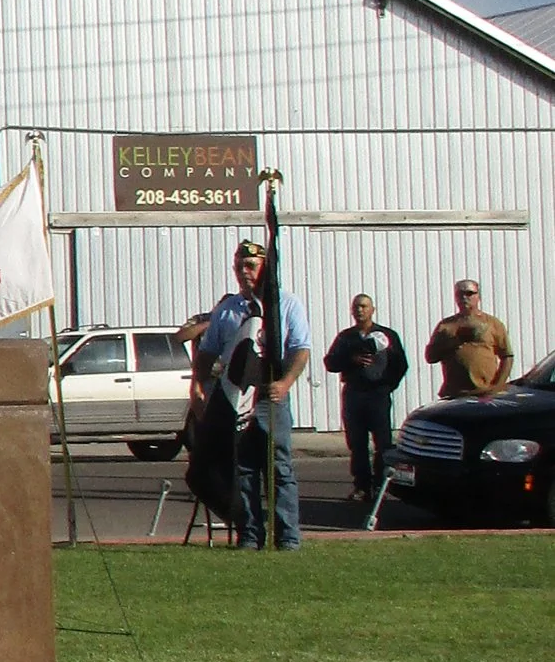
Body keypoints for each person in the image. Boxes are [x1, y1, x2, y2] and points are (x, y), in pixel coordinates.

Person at [186, 236, 310, 551]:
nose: (245, 272)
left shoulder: (286, 305)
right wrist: (197, 388)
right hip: (236, 398)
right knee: (243, 468)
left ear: (265, 268)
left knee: (279, 467)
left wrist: (286, 383)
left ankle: (288, 537)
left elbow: (300, 350)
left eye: (252, 266)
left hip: (271, 396)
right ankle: (250, 534)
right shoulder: (228, 310)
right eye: (240, 266)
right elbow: (206, 355)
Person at [324, 294, 409, 506]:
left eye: (363, 306)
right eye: (356, 307)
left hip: (378, 395)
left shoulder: (387, 336)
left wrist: (387, 385)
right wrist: (350, 360)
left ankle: (381, 485)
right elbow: (330, 362)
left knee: (382, 442)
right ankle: (362, 485)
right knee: (357, 443)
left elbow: (400, 365)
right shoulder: (346, 337)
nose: (359, 310)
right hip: (354, 394)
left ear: (372, 309)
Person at [424, 278, 513, 400]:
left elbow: (507, 356)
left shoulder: (492, 323)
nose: (464, 297)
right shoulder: (445, 325)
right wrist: (454, 341)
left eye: (470, 293)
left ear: (478, 296)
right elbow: (430, 357)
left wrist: (497, 386)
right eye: (460, 294)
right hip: (454, 394)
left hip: (485, 393)